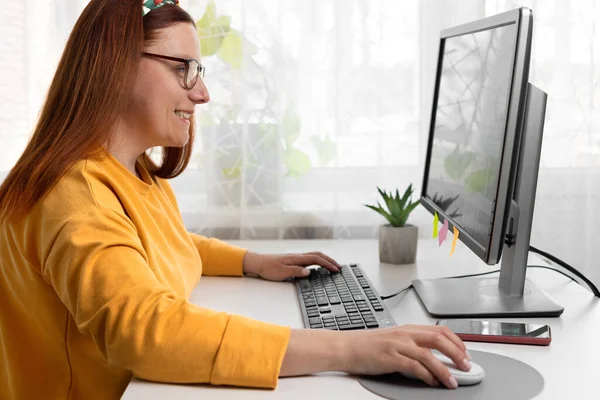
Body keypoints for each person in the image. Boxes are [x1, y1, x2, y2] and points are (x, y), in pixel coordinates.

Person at [0, 1, 471, 399]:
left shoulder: (130, 172)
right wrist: (349, 349)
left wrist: (253, 261)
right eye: (184, 69)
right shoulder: (76, 197)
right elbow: (144, 333)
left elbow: (168, 244)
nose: (202, 93)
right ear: (117, 65)